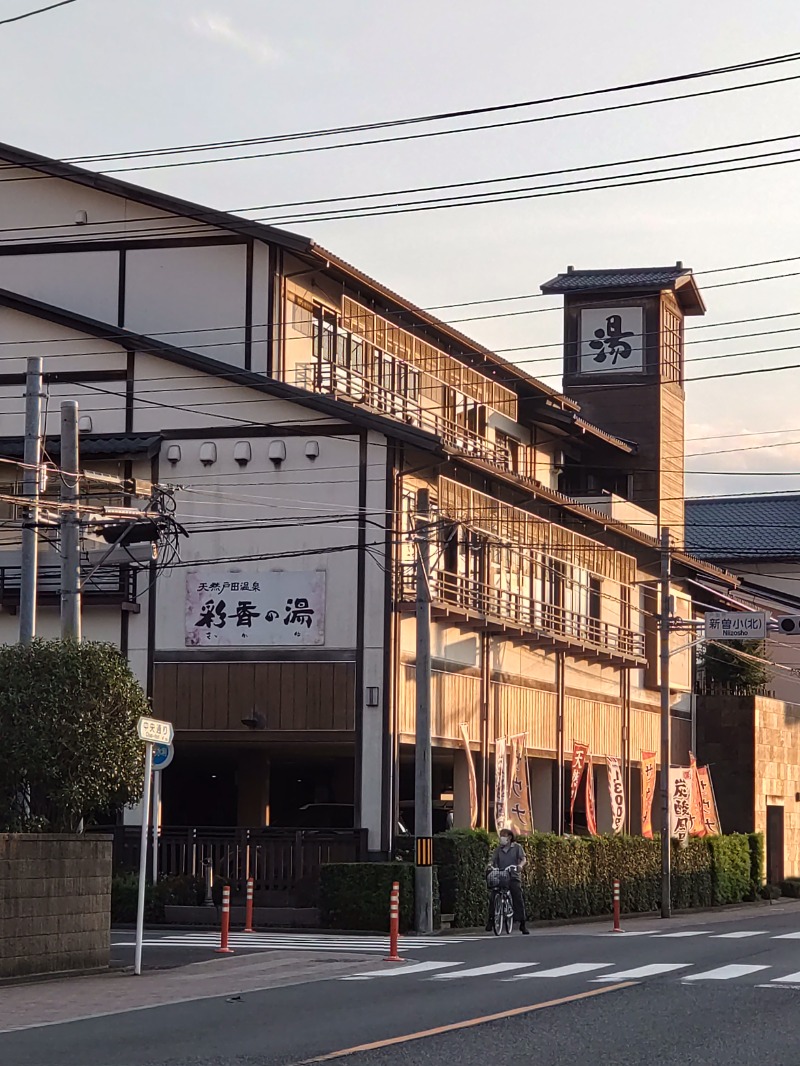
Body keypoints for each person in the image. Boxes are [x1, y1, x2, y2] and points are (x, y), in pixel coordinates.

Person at [486, 828, 529, 934]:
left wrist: (520, 866)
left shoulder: (517, 847)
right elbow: (492, 860)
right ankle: (491, 920)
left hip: (513, 876)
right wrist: (490, 865)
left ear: (509, 837)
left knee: (517, 896)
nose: (501, 838)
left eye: (503, 835)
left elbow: (523, 859)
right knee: (493, 895)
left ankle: (522, 923)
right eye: (500, 835)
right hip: (501, 875)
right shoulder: (498, 850)